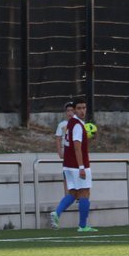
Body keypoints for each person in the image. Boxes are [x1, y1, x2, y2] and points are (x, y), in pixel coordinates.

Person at [51, 98, 96, 232]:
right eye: (79, 108)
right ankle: (83, 226)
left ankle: (57, 213)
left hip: (68, 164)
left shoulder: (70, 123)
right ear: (75, 110)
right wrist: (82, 167)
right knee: (85, 192)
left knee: (73, 193)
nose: (82, 111)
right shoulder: (77, 125)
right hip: (78, 165)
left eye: (84, 108)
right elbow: (77, 147)